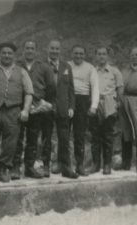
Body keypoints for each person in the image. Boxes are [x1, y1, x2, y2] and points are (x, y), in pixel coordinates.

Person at [0, 42, 34, 183]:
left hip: (13, 111)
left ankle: (4, 169)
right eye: (4, 53)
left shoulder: (22, 72)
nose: (7, 55)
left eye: (9, 53)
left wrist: (26, 110)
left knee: (10, 142)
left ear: (14, 55)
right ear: (0, 54)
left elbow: (28, 92)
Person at [11, 39, 55, 179]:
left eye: (32, 48)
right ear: (22, 50)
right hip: (18, 106)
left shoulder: (44, 67)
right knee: (17, 138)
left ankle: (29, 168)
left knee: (33, 138)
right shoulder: (15, 65)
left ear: (36, 51)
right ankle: (15, 168)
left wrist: (41, 104)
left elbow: (50, 89)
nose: (29, 51)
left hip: (36, 108)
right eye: (27, 48)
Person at [44, 39, 78, 179]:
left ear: (60, 50)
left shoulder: (66, 66)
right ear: (48, 49)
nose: (55, 51)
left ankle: (66, 168)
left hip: (63, 108)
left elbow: (71, 88)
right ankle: (46, 167)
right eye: (52, 48)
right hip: (46, 108)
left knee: (64, 140)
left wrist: (71, 106)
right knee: (46, 138)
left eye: (57, 49)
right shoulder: (42, 65)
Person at [89, 47, 123, 175]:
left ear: (108, 56)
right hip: (95, 104)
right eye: (99, 54)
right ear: (96, 56)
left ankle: (107, 165)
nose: (102, 56)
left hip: (109, 105)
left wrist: (116, 105)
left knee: (108, 136)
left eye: (104, 54)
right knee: (95, 136)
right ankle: (96, 165)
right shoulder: (92, 71)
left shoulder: (115, 72)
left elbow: (120, 90)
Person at [67, 45, 99, 176]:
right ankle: (64, 165)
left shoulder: (90, 68)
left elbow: (95, 87)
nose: (78, 56)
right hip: (68, 99)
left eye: (81, 54)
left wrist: (94, 106)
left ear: (84, 55)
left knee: (79, 135)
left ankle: (79, 166)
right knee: (64, 133)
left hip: (82, 101)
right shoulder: (66, 66)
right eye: (76, 53)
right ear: (71, 53)